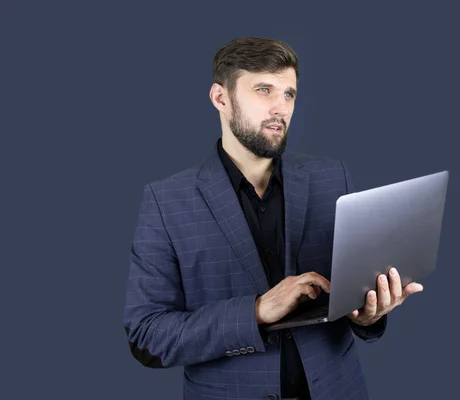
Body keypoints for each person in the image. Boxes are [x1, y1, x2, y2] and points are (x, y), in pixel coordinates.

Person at [123, 36, 423, 400]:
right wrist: (257, 311)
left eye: (289, 94)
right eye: (264, 90)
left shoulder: (333, 177)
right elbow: (147, 336)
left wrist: (369, 315)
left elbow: (351, 295)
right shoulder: (165, 201)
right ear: (221, 98)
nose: (280, 107)